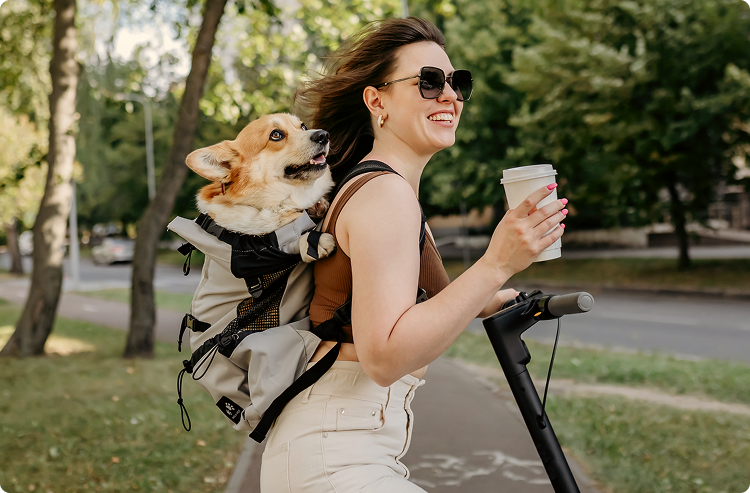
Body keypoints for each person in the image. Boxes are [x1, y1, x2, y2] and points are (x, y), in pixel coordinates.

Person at [259, 17, 567, 493]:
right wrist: (497, 261)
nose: (450, 95)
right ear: (376, 100)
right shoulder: (385, 194)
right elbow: (383, 356)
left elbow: (422, 307)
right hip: (335, 458)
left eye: (456, 83)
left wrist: (494, 293)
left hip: (337, 448)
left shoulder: (385, 190)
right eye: (428, 82)